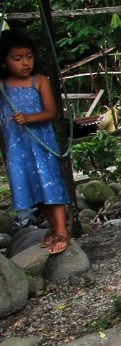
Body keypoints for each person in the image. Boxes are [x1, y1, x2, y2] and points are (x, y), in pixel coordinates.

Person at [0, 29, 70, 254]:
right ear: (4, 60)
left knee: (49, 185)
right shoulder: (2, 86)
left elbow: (50, 112)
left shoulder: (38, 81)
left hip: (40, 145)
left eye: (28, 57)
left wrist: (29, 118)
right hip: (17, 148)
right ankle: (52, 227)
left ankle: (62, 231)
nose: (25, 63)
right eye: (17, 59)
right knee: (33, 188)